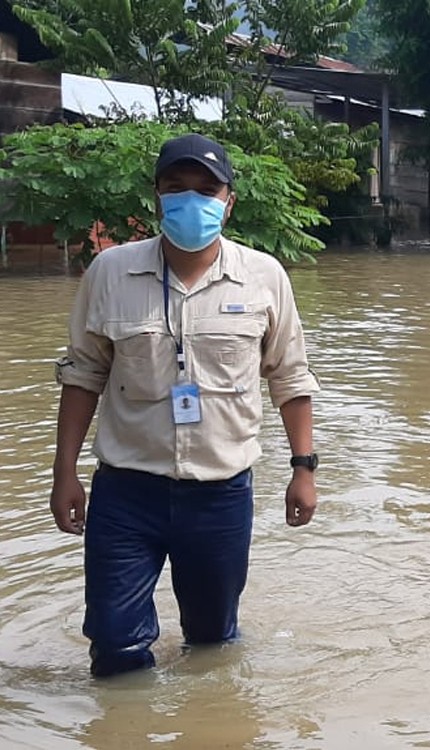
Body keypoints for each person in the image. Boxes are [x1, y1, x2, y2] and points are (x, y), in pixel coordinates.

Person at [49, 133, 322, 678]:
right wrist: (64, 474)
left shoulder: (264, 276)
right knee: (114, 646)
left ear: (228, 201)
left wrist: (303, 469)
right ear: (157, 197)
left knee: (212, 644)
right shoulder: (110, 273)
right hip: (127, 490)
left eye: (206, 189)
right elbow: (83, 375)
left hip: (220, 495)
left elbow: (289, 376)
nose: (191, 200)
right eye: (177, 188)